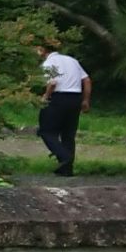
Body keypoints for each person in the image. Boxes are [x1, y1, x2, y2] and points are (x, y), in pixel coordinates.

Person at [37, 41, 91, 176]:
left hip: (58, 98)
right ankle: (67, 170)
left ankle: (64, 156)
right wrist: (85, 100)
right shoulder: (72, 61)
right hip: (75, 98)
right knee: (68, 134)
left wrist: (45, 96)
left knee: (46, 131)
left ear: (42, 50)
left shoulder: (48, 63)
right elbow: (87, 80)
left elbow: (52, 82)